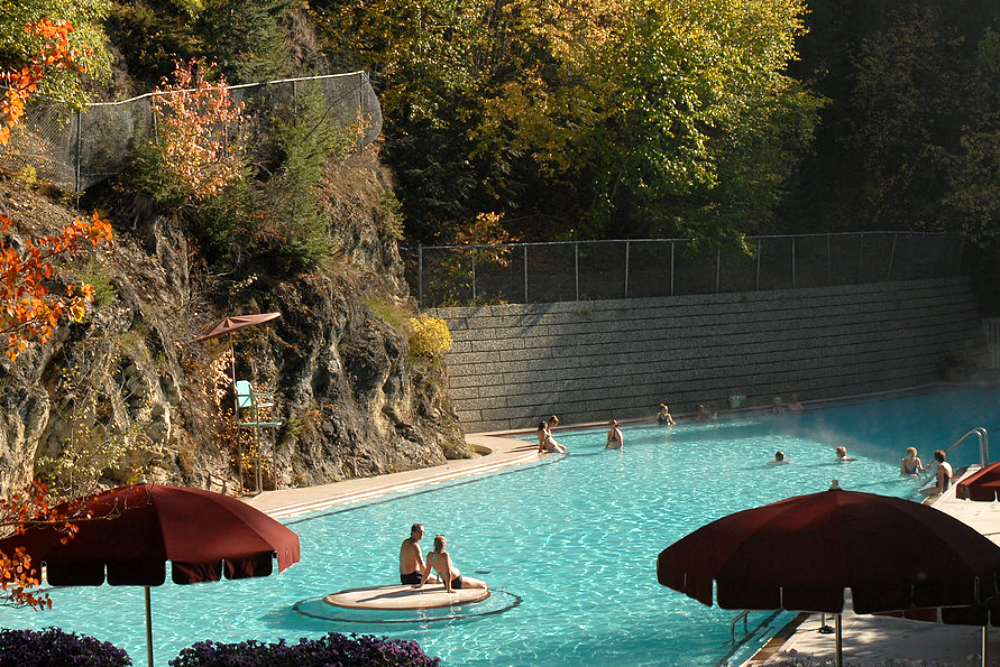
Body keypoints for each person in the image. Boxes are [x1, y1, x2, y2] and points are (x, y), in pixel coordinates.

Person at [414, 535, 487, 593]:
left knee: (477, 583)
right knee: (483, 584)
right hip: (456, 581)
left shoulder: (430, 555)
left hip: (447, 582)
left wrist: (421, 584)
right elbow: (447, 572)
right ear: (444, 545)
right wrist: (449, 589)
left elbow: (427, 571)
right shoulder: (444, 555)